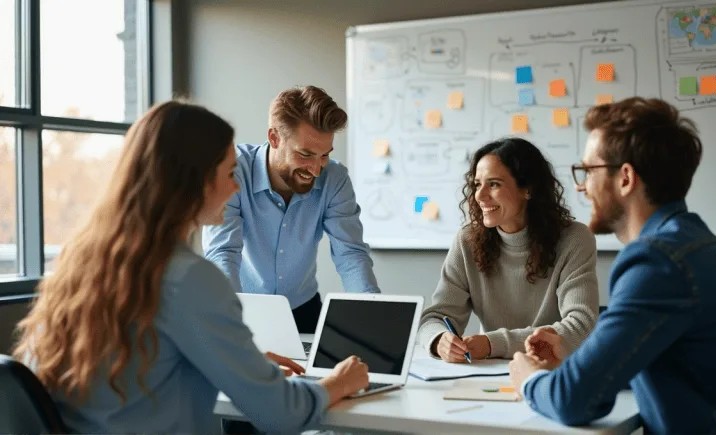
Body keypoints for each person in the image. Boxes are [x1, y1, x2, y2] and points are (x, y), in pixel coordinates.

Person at [12, 101, 369, 434]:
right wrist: (339, 382)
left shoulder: (79, 263)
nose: (235, 187)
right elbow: (281, 413)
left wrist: (238, 356)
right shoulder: (189, 277)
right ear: (196, 180)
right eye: (230, 173)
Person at [509, 97, 716, 433]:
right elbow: (667, 362)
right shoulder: (698, 246)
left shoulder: (657, 260)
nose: (581, 185)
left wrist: (530, 380)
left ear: (626, 178)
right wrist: (578, 361)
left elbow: (573, 400)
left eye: (588, 170)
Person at [203, 85, 380, 333]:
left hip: (304, 310)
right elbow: (223, 252)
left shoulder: (334, 178)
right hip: (241, 306)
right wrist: (231, 324)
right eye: (305, 154)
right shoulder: (233, 172)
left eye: (324, 155)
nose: (316, 170)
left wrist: (372, 314)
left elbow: (350, 254)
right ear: (274, 138)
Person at [417, 137, 599, 362]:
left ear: (528, 189)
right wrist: (439, 340)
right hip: (488, 376)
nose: (479, 196)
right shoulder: (467, 241)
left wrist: (493, 343)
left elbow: (581, 326)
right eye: (477, 184)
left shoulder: (575, 239)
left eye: (493, 184)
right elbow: (433, 318)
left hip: (551, 372)